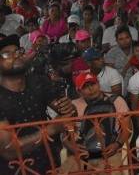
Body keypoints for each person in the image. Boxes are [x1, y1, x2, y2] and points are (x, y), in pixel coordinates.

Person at [0, 35, 75, 174]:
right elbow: (8, 150)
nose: (15, 56)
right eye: (6, 54)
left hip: (49, 164)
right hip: (15, 170)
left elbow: (65, 111)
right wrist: (51, 129)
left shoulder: (38, 82)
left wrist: (68, 108)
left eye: (17, 51)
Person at [62, 72, 131, 173]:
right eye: (85, 87)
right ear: (79, 91)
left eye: (92, 84)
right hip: (81, 154)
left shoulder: (117, 101)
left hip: (110, 152)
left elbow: (127, 129)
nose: (91, 89)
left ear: (98, 84)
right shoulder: (73, 106)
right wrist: (72, 147)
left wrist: (117, 144)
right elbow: (64, 135)